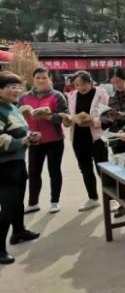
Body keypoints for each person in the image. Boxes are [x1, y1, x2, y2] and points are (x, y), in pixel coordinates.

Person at [0, 71, 40, 265]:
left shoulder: (12, 107)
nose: (16, 90)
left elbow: (19, 131)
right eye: (10, 87)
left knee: (17, 202)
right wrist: (22, 141)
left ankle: (18, 231)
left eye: (18, 87)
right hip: (5, 166)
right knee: (8, 206)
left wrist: (31, 136)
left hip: (17, 161)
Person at [19, 68, 68, 214]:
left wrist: (47, 116)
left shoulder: (57, 96)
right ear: (33, 79)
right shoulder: (24, 97)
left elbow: (65, 117)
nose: (41, 80)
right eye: (38, 78)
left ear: (50, 79)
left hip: (54, 140)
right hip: (34, 140)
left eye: (44, 78)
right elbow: (18, 117)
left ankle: (54, 202)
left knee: (54, 171)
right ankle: (33, 203)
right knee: (33, 172)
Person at [66, 71, 109, 212]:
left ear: (90, 81)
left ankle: (112, 199)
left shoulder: (101, 94)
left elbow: (107, 117)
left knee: (102, 169)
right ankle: (93, 198)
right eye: (77, 85)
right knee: (85, 170)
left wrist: (93, 121)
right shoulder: (72, 96)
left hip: (96, 138)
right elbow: (70, 115)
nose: (81, 87)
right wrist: (69, 120)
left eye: (84, 84)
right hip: (78, 139)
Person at [103, 67, 125, 155]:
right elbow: (109, 121)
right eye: (113, 82)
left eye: (119, 81)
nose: (116, 85)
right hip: (116, 140)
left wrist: (123, 116)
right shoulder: (111, 98)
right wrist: (104, 119)